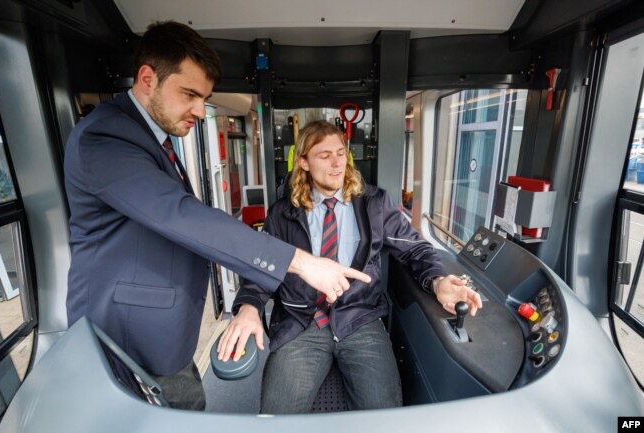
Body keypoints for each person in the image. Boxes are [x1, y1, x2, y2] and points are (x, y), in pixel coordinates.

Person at [63, 22, 369, 411]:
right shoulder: (105, 138)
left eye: (204, 98)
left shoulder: (151, 140)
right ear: (146, 79)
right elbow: (181, 216)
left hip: (162, 336)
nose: (199, 111)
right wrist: (300, 263)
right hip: (125, 340)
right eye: (189, 94)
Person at [218, 120, 483, 413]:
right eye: (324, 155)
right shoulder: (282, 214)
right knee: (278, 419)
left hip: (360, 319)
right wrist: (249, 308)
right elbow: (263, 268)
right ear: (303, 162)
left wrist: (437, 281)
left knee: (382, 419)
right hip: (301, 322)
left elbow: (416, 248)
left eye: (341, 153)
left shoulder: (375, 204)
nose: (337, 164)